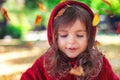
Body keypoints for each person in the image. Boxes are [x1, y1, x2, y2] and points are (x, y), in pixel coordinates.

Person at [20, 1, 119, 80]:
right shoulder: (46, 62)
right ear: (55, 37)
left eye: (80, 35)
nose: (71, 41)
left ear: (89, 37)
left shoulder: (99, 63)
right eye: (64, 35)